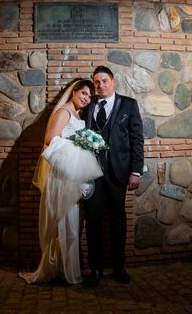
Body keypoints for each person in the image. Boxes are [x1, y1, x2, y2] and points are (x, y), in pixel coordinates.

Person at [19, 79, 103, 285]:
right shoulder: (63, 112)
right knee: (62, 223)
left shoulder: (78, 114)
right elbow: (51, 140)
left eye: (89, 97)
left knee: (72, 224)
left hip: (71, 176)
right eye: (83, 93)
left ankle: (66, 269)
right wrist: (78, 146)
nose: (86, 99)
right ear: (73, 92)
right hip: (60, 176)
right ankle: (58, 269)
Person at [83, 65, 144, 287]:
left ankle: (119, 268)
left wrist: (135, 171)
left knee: (118, 221)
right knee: (93, 221)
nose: (100, 86)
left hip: (119, 174)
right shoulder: (88, 106)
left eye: (104, 81)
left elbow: (137, 139)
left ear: (113, 81)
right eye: (96, 82)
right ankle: (95, 269)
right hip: (92, 174)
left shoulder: (129, 104)